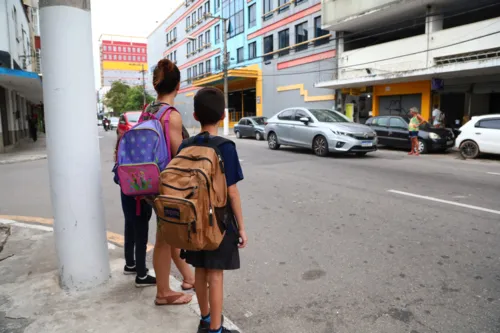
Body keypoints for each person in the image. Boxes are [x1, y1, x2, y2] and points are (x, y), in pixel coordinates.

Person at [180, 87, 248, 333]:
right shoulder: (226, 147)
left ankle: (206, 319)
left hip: (192, 221)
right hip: (218, 222)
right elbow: (232, 192)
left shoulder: (185, 145)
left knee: (199, 270)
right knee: (216, 275)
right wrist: (241, 227)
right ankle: (216, 330)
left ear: (195, 116)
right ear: (223, 116)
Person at [147, 59, 195, 305]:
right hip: (168, 186)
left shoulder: (149, 110)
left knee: (167, 236)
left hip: (148, 184)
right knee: (164, 239)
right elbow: (180, 157)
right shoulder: (171, 116)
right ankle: (163, 292)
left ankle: (188, 278)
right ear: (178, 85)